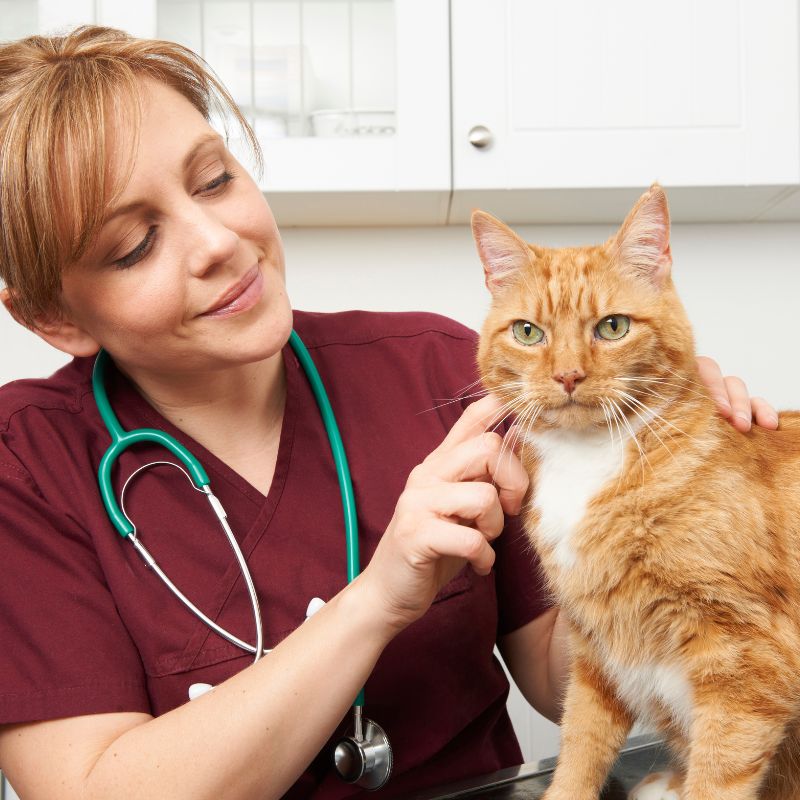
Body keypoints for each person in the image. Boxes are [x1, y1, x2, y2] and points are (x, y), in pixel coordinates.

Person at [0, 26, 778, 800]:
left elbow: (567, 670)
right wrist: (376, 601)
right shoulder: (27, 463)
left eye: (214, 181)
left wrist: (687, 496)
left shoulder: (440, 371)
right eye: (136, 244)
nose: (218, 242)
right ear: (52, 318)